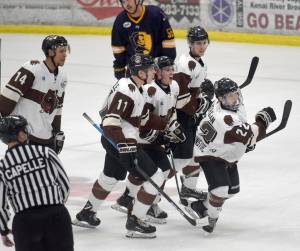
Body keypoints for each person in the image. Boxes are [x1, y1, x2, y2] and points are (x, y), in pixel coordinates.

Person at [74, 54, 166, 238]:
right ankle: (135, 221)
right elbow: (110, 121)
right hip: (121, 142)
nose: (154, 72)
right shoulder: (127, 89)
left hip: (116, 140)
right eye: (150, 69)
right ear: (141, 72)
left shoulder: (135, 88)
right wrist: (125, 146)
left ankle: (87, 213)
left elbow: (138, 118)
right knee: (156, 176)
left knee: (110, 177)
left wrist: (165, 126)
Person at [183, 77, 276, 233]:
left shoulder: (222, 105)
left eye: (235, 94)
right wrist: (262, 121)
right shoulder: (225, 118)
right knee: (221, 190)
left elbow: (243, 134)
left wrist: (245, 143)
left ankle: (200, 206)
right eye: (231, 96)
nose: (236, 98)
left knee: (233, 190)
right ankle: (211, 219)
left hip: (225, 151)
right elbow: (249, 134)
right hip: (210, 155)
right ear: (221, 98)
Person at [111, 56, 186, 224]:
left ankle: (131, 199)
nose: (171, 73)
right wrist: (162, 136)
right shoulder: (148, 91)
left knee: (161, 172)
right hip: (142, 140)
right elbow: (142, 125)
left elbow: (171, 111)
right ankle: (143, 205)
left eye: (172, 69)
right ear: (157, 73)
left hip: (155, 138)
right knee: (154, 173)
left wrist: (172, 128)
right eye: (167, 70)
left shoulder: (173, 87)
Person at [0, 115, 73, 250]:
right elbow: (64, 184)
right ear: (21, 135)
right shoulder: (45, 152)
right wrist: (55, 207)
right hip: (56, 216)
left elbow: (0, 205)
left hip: (25, 223)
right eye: (25, 130)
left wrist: (3, 229)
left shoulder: (2, 167)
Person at [0, 35, 70, 154]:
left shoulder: (62, 77)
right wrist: (9, 129)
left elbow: (57, 108)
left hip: (47, 140)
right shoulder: (31, 69)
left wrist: (57, 132)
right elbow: (6, 99)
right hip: (24, 138)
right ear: (50, 52)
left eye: (65, 51)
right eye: (61, 51)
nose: (65, 54)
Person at [172, 26, 213, 200]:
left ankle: (188, 188)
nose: (201, 46)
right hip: (180, 116)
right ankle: (148, 193)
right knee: (180, 159)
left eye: (204, 43)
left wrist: (202, 98)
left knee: (195, 153)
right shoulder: (186, 64)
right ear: (190, 44)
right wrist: (197, 106)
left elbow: (192, 92)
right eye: (198, 43)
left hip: (188, 115)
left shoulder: (198, 62)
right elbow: (181, 99)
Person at [111, 0, 176, 79]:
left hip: (156, 71)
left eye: (129, 0)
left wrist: (166, 66)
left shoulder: (156, 14)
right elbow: (118, 48)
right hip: (134, 72)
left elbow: (168, 42)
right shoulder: (120, 20)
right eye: (123, 1)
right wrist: (119, 69)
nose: (127, 4)